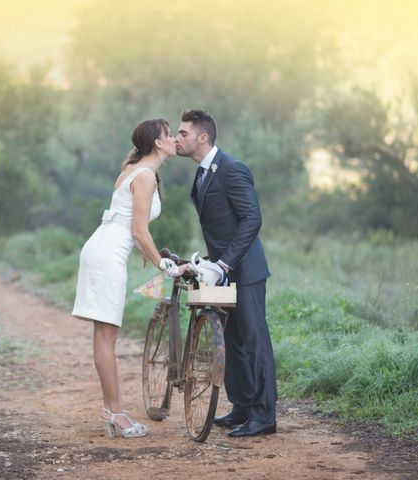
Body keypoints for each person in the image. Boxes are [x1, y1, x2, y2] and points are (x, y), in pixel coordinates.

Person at [72, 119, 186, 438]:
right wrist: (165, 265)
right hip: (108, 254)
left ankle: (114, 407)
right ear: (158, 143)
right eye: (169, 135)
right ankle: (115, 412)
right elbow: (138, 231)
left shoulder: (133, 170)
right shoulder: (145, 175)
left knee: (103, 335)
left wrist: (152, 257)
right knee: (107, 337)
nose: (175, 139)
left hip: (102, 248)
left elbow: (132, 229)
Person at [175, 108, 277, 437]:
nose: (178, 138)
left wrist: (224, 263)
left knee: (254, 340)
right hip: (222, 271)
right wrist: (209, 263)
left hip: (245, 270)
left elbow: (252, 219)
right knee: (232, 342)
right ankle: (243, 406)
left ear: (202, 138)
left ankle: (264, 417)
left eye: (183, 133)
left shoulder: (232, 169)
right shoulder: (202, 173)